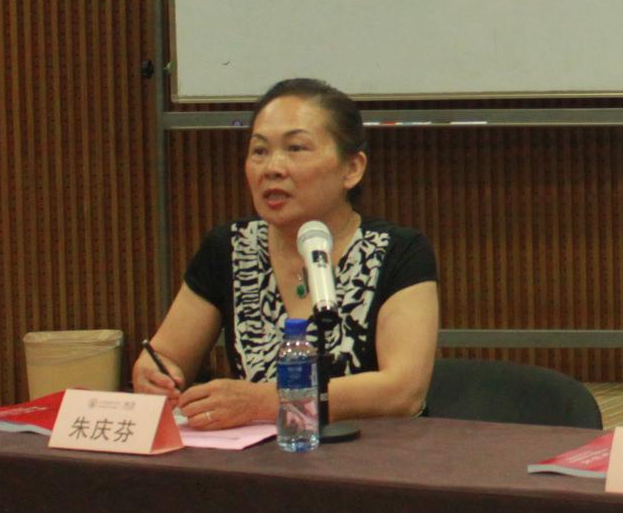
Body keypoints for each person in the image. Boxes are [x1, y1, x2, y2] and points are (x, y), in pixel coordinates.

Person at [132, 77, 439, 428]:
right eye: (260, 151)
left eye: (295, 148)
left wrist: (266, 401)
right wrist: (155, 374)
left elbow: (403, 391)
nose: (272, 168)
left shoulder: (398, 251)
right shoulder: (230, 248)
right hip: (258, 455)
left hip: (373, 455)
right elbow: (166, 356)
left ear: (352, 168)